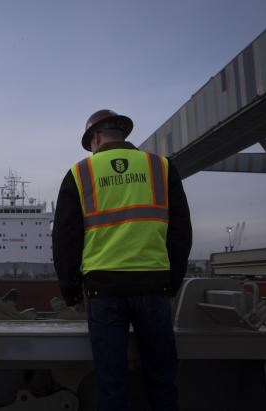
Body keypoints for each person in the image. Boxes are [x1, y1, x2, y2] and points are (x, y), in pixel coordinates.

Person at [52, 109, 192, 411]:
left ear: (95, 137)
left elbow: (65, 239)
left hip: (103, 292)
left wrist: (71, 290)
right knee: (163, 380)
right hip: (154, 288)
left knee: (112, 384)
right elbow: (181, 232)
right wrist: (171, 281)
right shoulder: (161, 168)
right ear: (122, 134)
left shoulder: (80, 174)